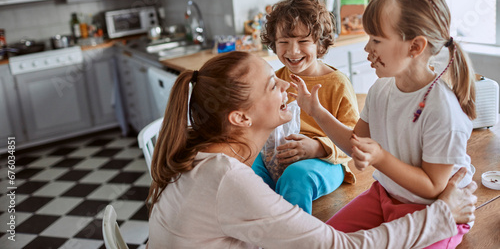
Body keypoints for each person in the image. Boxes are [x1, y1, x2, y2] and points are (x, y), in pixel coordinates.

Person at [146, 50, 477, 249]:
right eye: (273, 84)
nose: (286, 84)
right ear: (240, 117)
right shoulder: (227, 180)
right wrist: (441, 215)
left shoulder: (203, 158)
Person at [289, 0, 477, 249]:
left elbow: (434, 186)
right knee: (325, 242)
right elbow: (357, 142)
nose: (367, 48)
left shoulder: (442, 109)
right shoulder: (381, 89)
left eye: (376, 40)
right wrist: (316, 112)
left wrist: (381, 157)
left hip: (437, 210)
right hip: (384, 195)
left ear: (415, 47)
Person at [251, 0, 358, 214]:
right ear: (273, 43)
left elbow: (355, 142)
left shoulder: (337, 83)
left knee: (296, 176)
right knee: (244, 168)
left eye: (302, 41)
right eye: (284, 42)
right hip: (277, 157)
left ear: (320, 43)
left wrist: (317, 147)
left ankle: (296, 237)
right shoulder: (274, 79)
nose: (293, 51)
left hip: (325, 162)